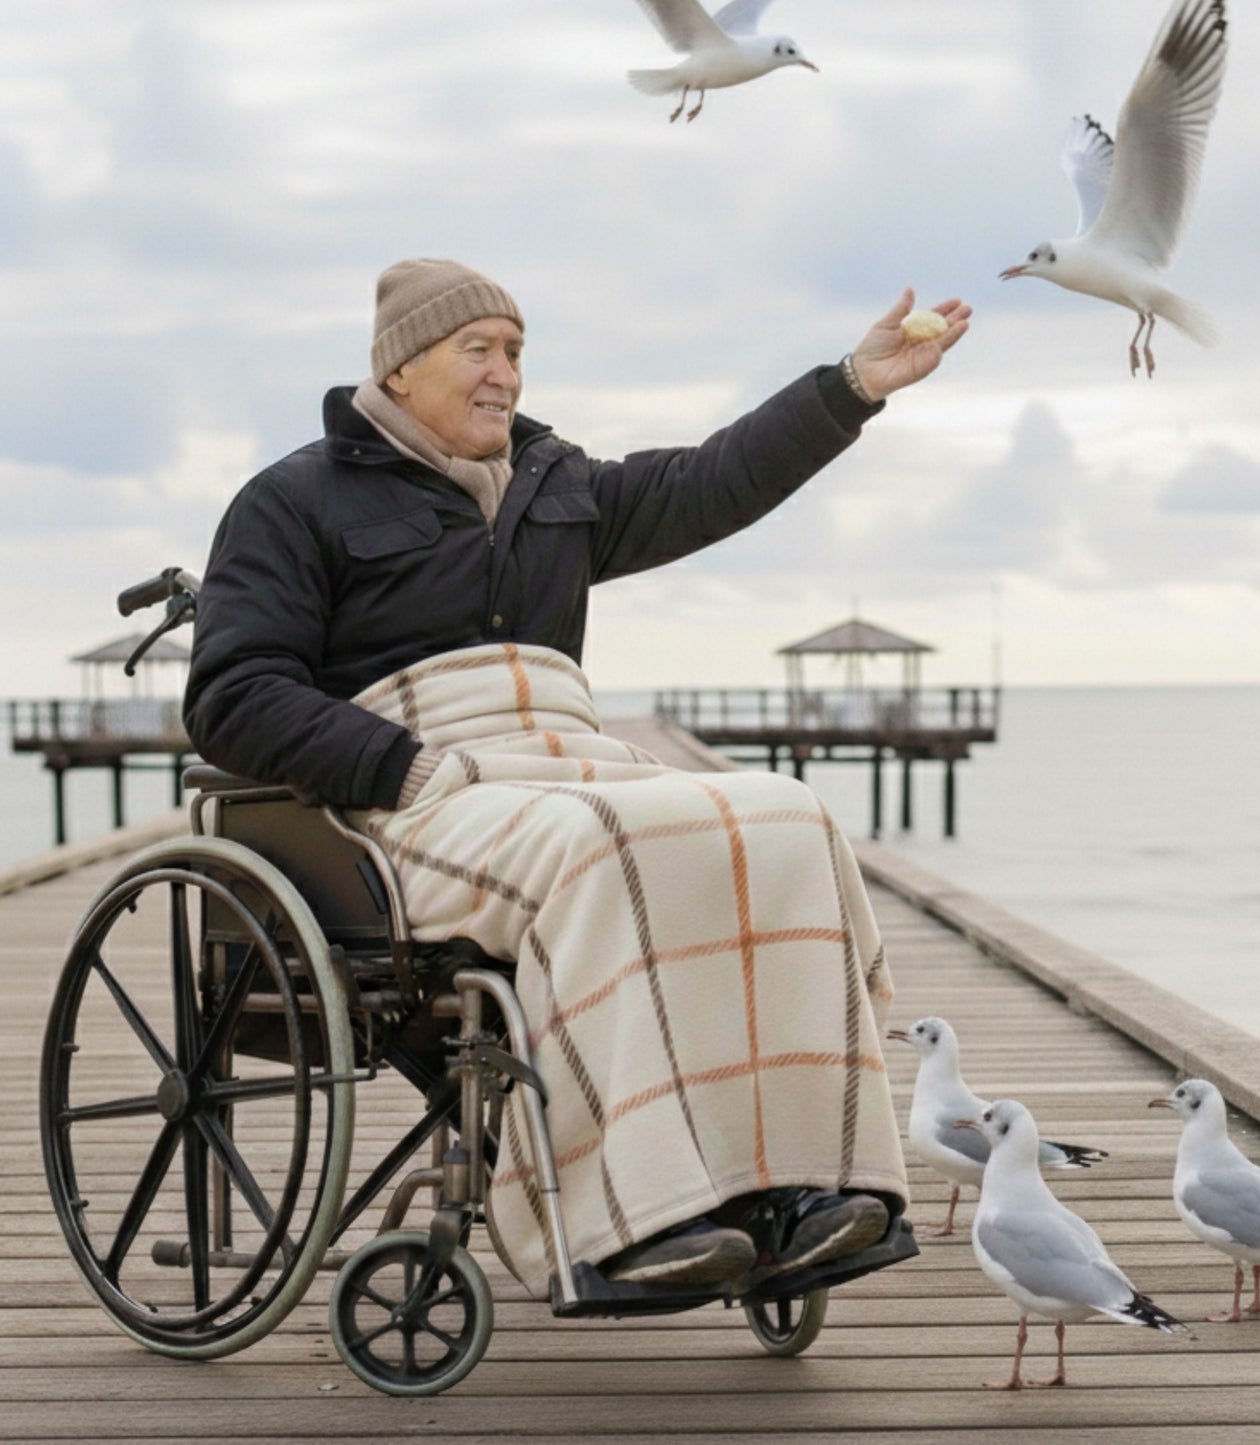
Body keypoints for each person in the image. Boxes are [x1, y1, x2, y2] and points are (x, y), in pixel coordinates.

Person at [184, 258, 972, 1296]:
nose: (505, 373)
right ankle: (632, 1213)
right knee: (601, 847)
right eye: (477, 349)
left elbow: (711, 479)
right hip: (405, 798)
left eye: (514, 351)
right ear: (401, 367)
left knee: (784, 816)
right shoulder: (294, 500)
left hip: (564, 761)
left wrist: (853, 386)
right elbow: (233, 694)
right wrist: (401, 767)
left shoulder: (555, 482)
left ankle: (802, 1185)